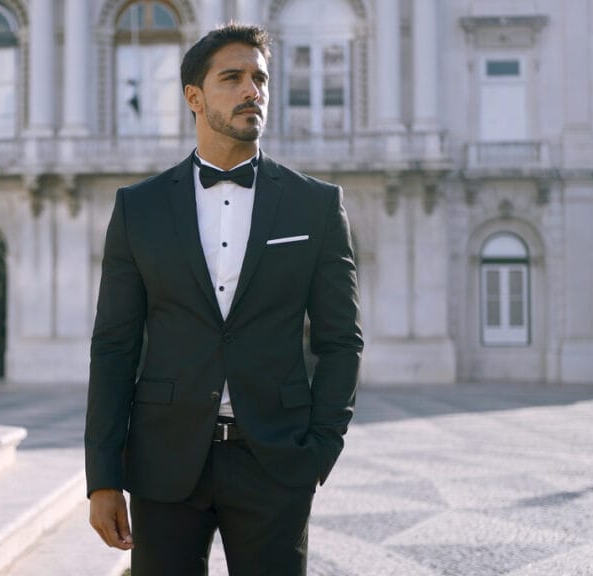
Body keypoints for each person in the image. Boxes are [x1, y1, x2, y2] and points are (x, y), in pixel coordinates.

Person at [85, 23, 363, 576]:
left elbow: (341, 340)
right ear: (194, 97)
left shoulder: (316, 206)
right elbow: (114, 346)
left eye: (259, 78)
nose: (251, 91)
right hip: (164, 464)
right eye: (232, 78)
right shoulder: (138, 209)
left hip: (275, 463)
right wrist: (104, 479)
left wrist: (320, 451)